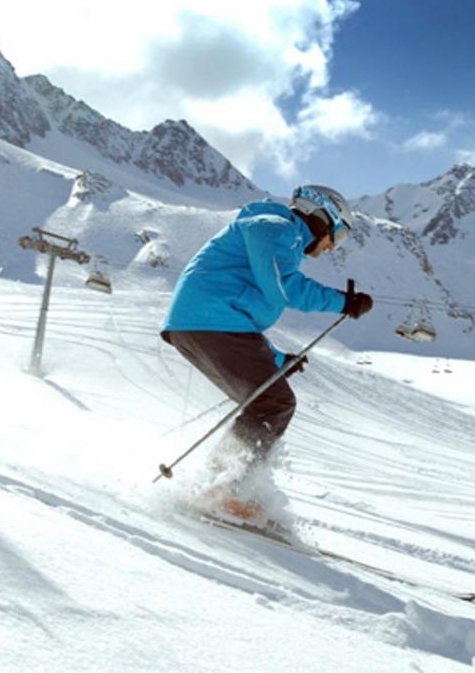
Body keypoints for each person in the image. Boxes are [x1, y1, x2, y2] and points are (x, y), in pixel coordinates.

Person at [160, 185, 373, 518]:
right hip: (209, 321)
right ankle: (221, 487)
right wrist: (343, 301)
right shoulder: (274, 227)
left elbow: (245, 315)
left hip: (209, 322)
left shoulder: (277, 235)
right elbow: (284, 288)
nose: (333, 246)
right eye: (339, 234)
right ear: (321, 217)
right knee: (273, 402)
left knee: (268, 399)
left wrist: (276, 360)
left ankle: (221, 484)